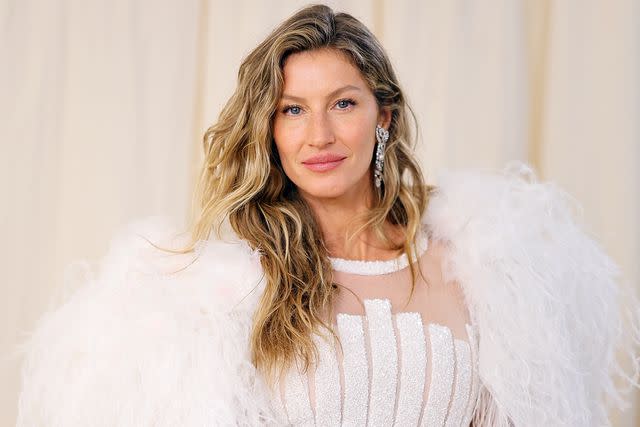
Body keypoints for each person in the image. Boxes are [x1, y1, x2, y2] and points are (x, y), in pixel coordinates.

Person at [16, 4, 640, 426]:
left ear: (383, 116)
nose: (319, 135)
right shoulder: (227, 291)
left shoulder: (477, 268)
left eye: (342, 103)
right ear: (269, 130)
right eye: (292, 110)